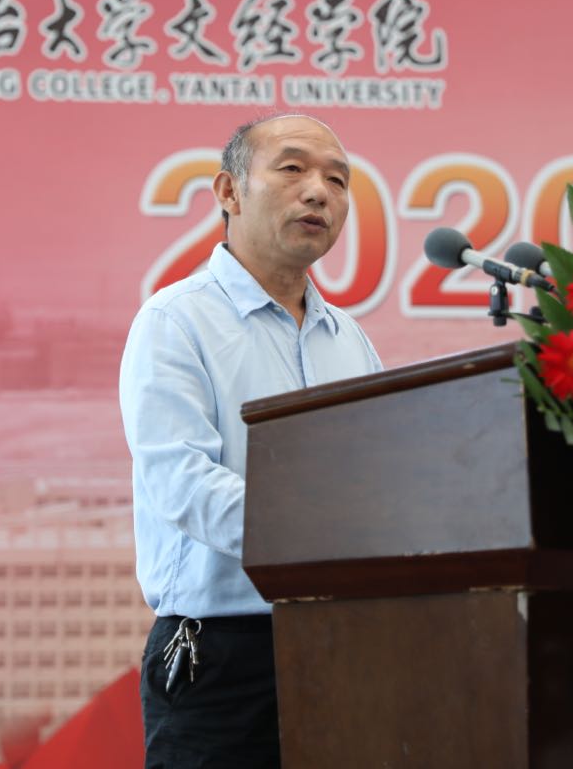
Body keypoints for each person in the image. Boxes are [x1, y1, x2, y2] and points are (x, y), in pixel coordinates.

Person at [119, 114, 383, 768]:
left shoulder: (349, 340)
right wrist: (324, 533)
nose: (319, 191)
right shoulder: (175, 321)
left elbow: (381, 479)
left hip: (346, 645)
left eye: (338, 180)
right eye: (292, 168)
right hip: (221, 658)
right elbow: (184, 484)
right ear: (229, 192)